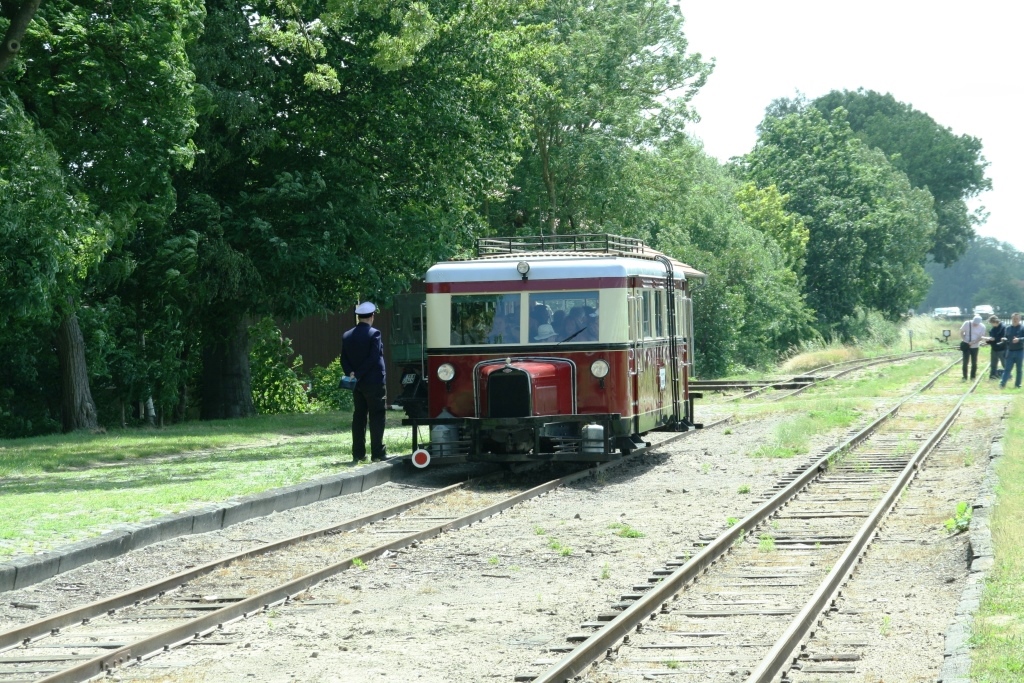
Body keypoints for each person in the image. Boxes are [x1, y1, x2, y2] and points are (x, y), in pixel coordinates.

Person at [341, 302, 387, 462]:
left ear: (358, 317)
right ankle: (378, 453)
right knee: (377, 415)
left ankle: (358, 453)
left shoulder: (347, 335)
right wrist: (359, 373)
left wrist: (352, 374)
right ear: (372, 316)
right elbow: (373, 357)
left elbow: (343, 359)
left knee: (359, 416)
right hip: (374, 381)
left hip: (357, 383)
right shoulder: (375, 334)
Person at [959, 314, 986, 380]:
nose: (975, 324)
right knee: (965, 362)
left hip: (975, 346)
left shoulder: (982, 327)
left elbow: (981, 337)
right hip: (966, 345)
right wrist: (965, 340)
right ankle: (964, 377)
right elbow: (961, 332)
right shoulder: (967, 323)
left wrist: (973, 342)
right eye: (974, 323)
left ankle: (973, 377)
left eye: (976, 324)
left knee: (974, 362)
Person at [1000, 312, 1024, 389]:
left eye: (1017, 319)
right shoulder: (1008, 328)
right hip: (1010, 351)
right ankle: (1002, 384)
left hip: (1020, 351)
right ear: (1011, 319)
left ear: (1019, 319)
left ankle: (1017, 385)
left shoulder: (1022, 328)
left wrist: (1019, 339)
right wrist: (1004, 339)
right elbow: (1006, 337)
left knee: (1019, 369)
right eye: (1014, 318)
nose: (1015, 320)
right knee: (1007, 369)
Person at [987, 314, 1007, 379]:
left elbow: (1003, 337)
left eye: (992, 323)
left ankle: (1008, 375)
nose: (991, 324)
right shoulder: (993, 329)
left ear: (995, 322)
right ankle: (992, 375)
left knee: (1004, 363)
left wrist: (994, 339)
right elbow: (991, 337)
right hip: (994, 348)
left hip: (1002, 349)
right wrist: (987, 341)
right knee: (993, 363)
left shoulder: (1003, 327)